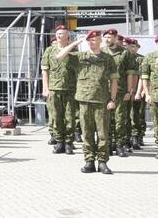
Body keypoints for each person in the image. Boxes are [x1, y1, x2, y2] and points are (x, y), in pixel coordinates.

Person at [56, 30, 118, 174]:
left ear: (100, 41)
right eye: (89, 40)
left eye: (95, 40)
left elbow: (114, 80)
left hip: (102, 101)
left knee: (103, 133)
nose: (92, 42)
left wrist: (112, 99)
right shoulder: (80, 57)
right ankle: (89, 161)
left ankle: (102, 162)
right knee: (87, 133)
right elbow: (59, 57)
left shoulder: (107, 58)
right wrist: (75, 43)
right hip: (84, 100)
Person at [42, 25, 78, 155]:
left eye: (62, 34)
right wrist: (45, 88)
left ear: (68, 35)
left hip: (70, 89)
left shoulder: (74, 51)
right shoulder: (49, 51)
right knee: (56, 117)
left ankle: (69, 142)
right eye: (57, 33)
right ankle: (59, 142)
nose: (59, 36)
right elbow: (45, 71)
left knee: (70, 117)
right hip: (54, 88)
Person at [101, 29, 137, 157]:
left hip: (121, 91)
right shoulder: (101, 52)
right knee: (106, 119)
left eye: (109, 37)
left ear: (116, 38)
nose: (107, 39)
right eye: (105, 37)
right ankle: (109, 144)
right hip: (104, 91)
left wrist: (129, 90)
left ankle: (119, 145)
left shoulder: (125, 53)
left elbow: (130, 73)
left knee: (120, 119)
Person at [137, 37, 158, 158]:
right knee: (157, 122)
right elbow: (145, 78)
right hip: (155, 95)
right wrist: (147, 94)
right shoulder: (149, 57)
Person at [127, 38, 146, 149]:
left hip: (139, 89)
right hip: (128, 90)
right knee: (127, 115)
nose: (132, 48)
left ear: (138, 47)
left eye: (134, 46)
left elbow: (143, 76)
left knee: (138, 114)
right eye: (131, 46)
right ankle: (129, 136)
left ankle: (138, 136)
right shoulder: (125, 58)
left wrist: (142, 90)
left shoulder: (142, 59)